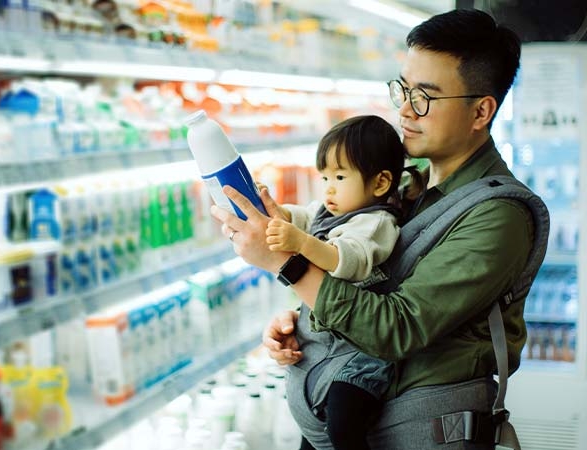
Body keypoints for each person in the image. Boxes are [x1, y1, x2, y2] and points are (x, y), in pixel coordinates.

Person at [213, 9, 533, 450]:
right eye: (402, 88)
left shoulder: (497, 216)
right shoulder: (406, 187)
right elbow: (362, 283)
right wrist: (306, 319)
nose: (404, 109)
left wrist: (290, 266)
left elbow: (397, 327)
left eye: (424, 97)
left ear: (481, 111)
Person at [262, 114, 421, 450]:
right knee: (316, 433)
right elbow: (305, 216)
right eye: (324, 177)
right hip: (328, 349)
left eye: (339, 176)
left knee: (343, 428)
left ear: (379, 183)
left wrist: (301, 243)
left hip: (360, 358)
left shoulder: (376, 222)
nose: (329, 188)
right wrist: (278, 213)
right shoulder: (333, 209)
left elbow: (348, 260)